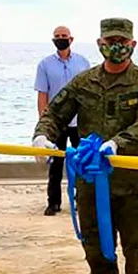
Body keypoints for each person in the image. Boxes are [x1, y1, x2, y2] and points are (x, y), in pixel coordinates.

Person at [32, 18, 138, 274]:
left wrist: (117, 143)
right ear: (100, 43)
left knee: (135, 249)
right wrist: (42, 136)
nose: (115, 45)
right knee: (95, 248)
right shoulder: (84, 82)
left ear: (132, 45)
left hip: (132, 184)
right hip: (90, 182)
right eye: (109, 40)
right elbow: (56, 113)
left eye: (122, 40)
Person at [34, 26, 90, 216]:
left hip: (79, 122)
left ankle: (81, 201)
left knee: (81, 163)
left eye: (63, 36)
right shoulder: (45, 65)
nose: (60, 39)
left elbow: (89, 93)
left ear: (71, 39)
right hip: (57, 123)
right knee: (56, 165)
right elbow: (42, 94)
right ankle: (54, 202)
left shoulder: (83, 63)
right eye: (57, 37)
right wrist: (43, 123)